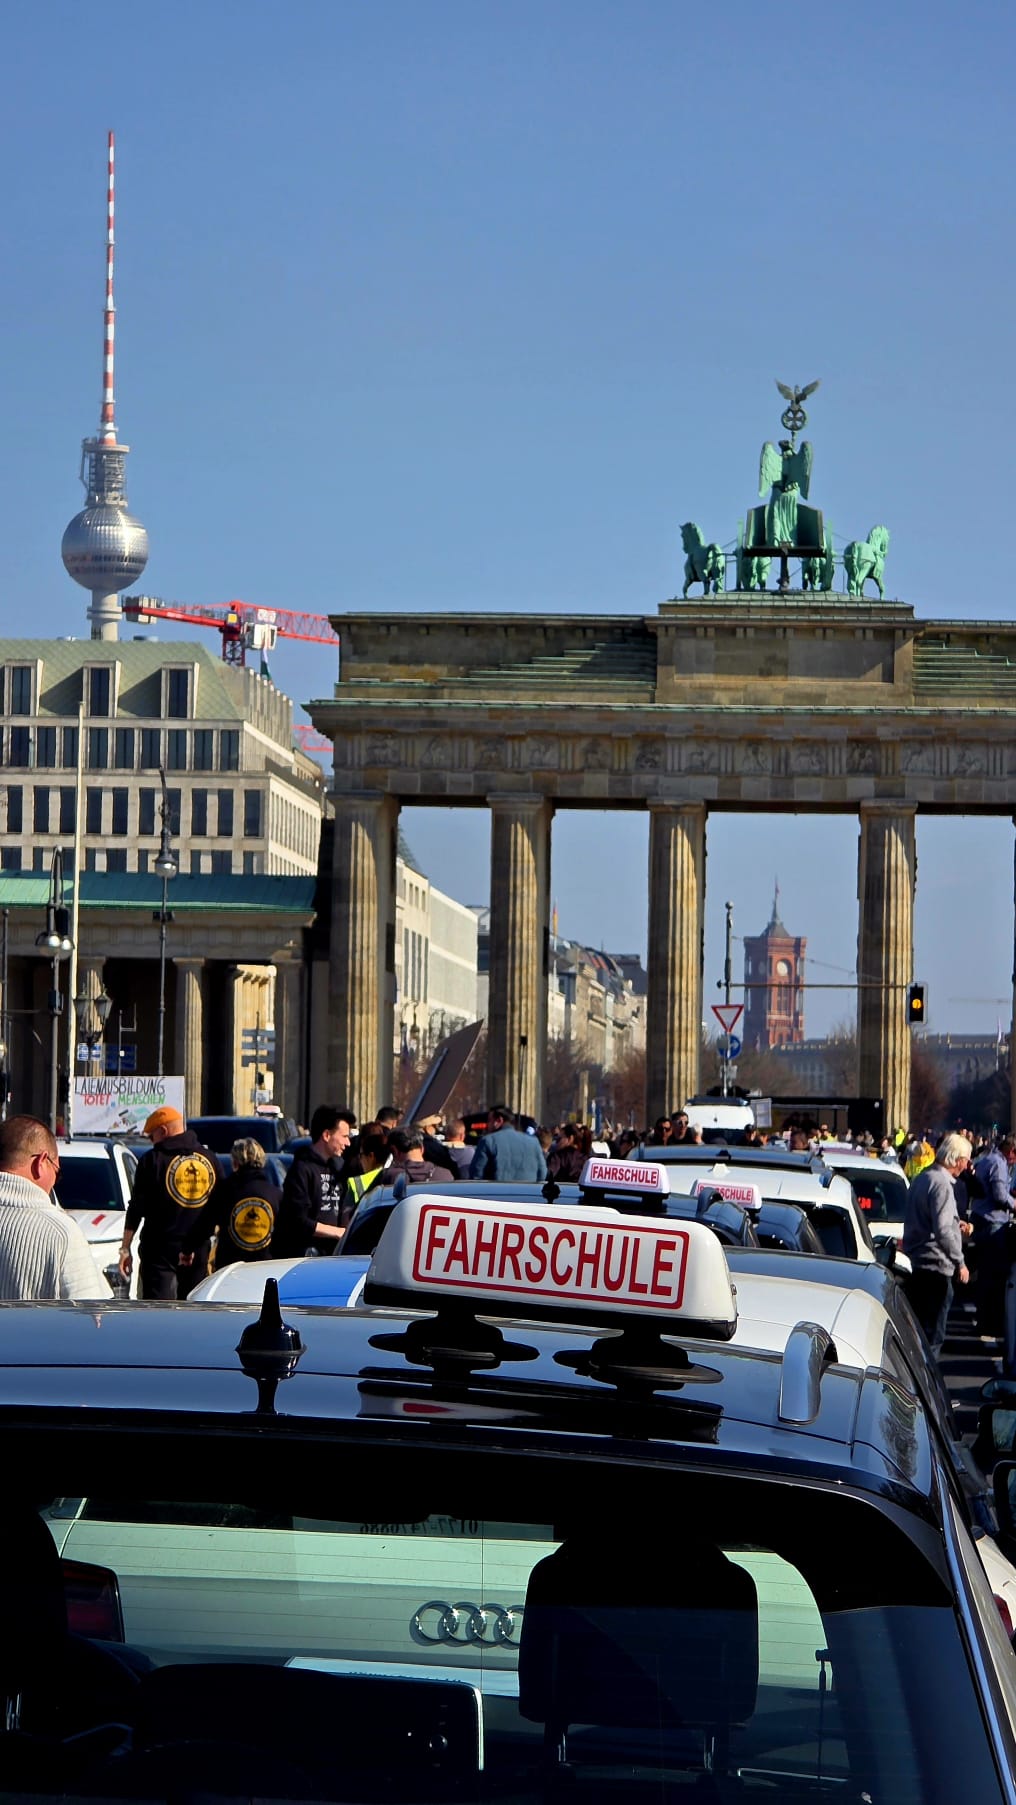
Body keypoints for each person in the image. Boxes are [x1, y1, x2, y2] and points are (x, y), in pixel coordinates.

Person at [0, 1114, 105, 1301]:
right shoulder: (61, 1233)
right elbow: (91, 1318)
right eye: (57, 1171)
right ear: (41, 1162)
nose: (55, 1181)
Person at [119, 1107, 219, 1300]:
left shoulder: (152, 1161)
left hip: (159, 1253)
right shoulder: (210, 1160)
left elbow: (136, 1208)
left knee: (158, 1317)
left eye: (151, 1136)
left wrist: (125, 1248)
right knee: (193, 1312)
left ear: (163, 1131)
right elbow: (219, 1205)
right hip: (197, 1252)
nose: (151, 1141)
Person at [902, 1131, 974, 1358]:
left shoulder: (924, 1177)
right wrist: (960, 1262)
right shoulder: (942, 1184)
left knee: (920, 1333)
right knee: (933, 1337)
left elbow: (934, 1220)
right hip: (936, 1267)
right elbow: (942, 1231)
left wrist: (956, 1223)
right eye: (965, 1159)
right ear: (956, 1159)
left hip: (918, 1264)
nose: (966, 1165)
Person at [274, 1105, 356, 1258]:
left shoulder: (339, 1168)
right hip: (305, 1257)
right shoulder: (301, 1170)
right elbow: (297, 1220)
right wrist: (338, 1232)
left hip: (333, 1254)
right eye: (344, 1136)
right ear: (326, 1135)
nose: (348, 1143)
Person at [193, 1139, 283, 1270]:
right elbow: (286, 1233)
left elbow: (205, 1225)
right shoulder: (275, 1194)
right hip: (265, 1266)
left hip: (230, 1267)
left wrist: (189, 1248)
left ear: (235, 1162)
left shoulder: (224, 1191)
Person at [970, 1136, 1016, 1339]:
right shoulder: (998, 1164)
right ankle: (988, 1322)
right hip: (993, 1223)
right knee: (994, 1276)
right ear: (1011, 1151)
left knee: (985, 1275)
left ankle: (983, 1319)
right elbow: (999, 1194)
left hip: (982, 1219)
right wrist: (1014, 1204)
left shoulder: (987, 1159)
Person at [469, 1105, 548, 1182]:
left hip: (497, 1193)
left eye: (489, 1120)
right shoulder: (533, 1142)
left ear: (499, 1120)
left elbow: (476, 1175)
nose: (487, 1125)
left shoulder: (488, 1141)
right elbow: (542, 1174)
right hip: (527, 1193)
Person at [414, 1114, 460, 1180]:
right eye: (434, 1126)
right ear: (427, 1128)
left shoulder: (416, 1143)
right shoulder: (432, 1146)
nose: (436, 1129)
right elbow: (450, 1165)